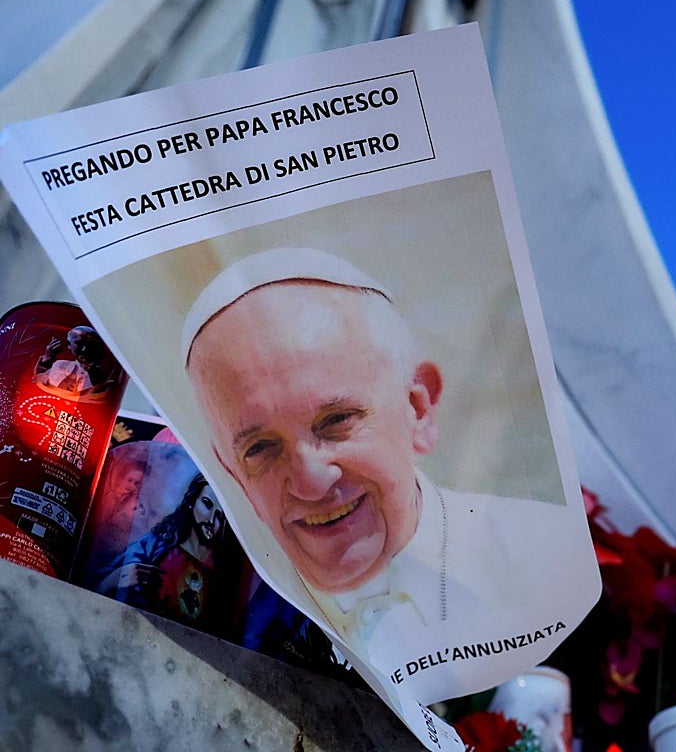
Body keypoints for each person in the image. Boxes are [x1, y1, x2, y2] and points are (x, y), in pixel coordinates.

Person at [180, 248, 573, 662]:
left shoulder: (548, 559)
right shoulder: (202, 602)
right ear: (233, 473)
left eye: (336, 420)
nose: (311, 481)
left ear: (417, 410)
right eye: (260, 448)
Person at [94, 471, 237, 634]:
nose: (212, 520)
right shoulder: (156, 544)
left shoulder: (221, 572)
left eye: (221, 516)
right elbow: (100, 584)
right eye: (207, 504)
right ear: (192, 501)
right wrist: (112, 580)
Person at [34, 325, 120, 397]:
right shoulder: (59, 365)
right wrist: (48, 358)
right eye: (79, 344)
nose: (84, 349)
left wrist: (97, 382)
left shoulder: (102, 376)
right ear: (69, 345)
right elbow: (37, 382)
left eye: (90, 346)